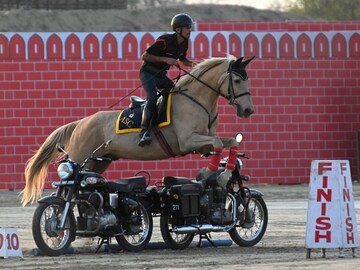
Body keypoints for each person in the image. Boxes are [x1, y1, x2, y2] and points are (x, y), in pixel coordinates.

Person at [138, 13, 196, 147]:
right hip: (147, 73)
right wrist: (165, 59)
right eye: (186, 27)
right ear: (177, 30)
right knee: (152, 97)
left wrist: (195, 65)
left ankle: (159, 122)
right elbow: (145, 56)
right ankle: (143, 132)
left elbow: (182, 59)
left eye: (190, 27)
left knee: (173, 92)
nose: (189, 30)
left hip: (161, 75)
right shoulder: (164, 40)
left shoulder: (184, 43)